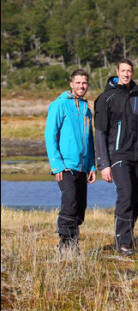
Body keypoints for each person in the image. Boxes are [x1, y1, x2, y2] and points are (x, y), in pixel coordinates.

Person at [94, 59, 138, 256]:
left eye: (129, 71)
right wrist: (104, 164)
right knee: (125, 195)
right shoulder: (106, 98)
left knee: (135, 198)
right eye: (123, 70)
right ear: (117, 72)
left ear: (133, 73)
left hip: (137, 155)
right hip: (117, 154)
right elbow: (100, 132)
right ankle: (123, 243)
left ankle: (128, 236)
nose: (126, 74)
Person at [45, 69, 97, 253]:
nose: (81, 86)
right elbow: (50, 135)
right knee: (70, 203)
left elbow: (89, 140)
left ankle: (74, 243)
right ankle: (65, 245)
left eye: (84, 83)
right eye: (78, 82)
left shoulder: (85, 108)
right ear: (71, 84)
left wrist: (91, 165)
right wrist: (56, 164)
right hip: (65, 165)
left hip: (82, 167)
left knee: (80, 205)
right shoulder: (59, 105)